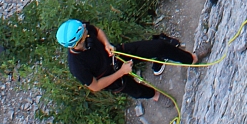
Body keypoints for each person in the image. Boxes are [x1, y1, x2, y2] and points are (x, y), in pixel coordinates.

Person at [56, 20, 198, 100]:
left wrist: (106, 44)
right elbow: (96, 86)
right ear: (76, 44)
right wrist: (122, 72)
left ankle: (191, 59)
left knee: (158, 46)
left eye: (86, 32)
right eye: (84, 36)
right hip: (111, 77)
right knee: (137, 91)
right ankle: (156, 96)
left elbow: (97, 31)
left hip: (117, 54)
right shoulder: (76, 66)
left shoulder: (82, 29)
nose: (88, 34)